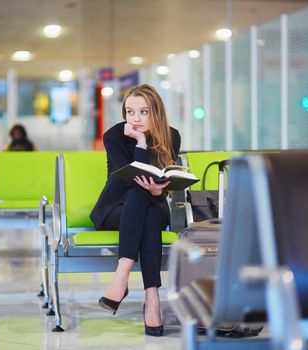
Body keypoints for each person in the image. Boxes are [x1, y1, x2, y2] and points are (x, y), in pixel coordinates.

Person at [90, 84, 181, 337]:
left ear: (156, 113)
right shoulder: (114, 136)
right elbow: (130, 178)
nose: (135, 119)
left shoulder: (171, 136)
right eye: (130, 112)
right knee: (138, 195)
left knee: (149, 209)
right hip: (114, 209)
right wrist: (140, 142)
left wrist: (158, 191)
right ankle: (151, 297)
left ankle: (123, 279)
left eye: (143, 112)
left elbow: (164, 182)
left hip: (152, 205)